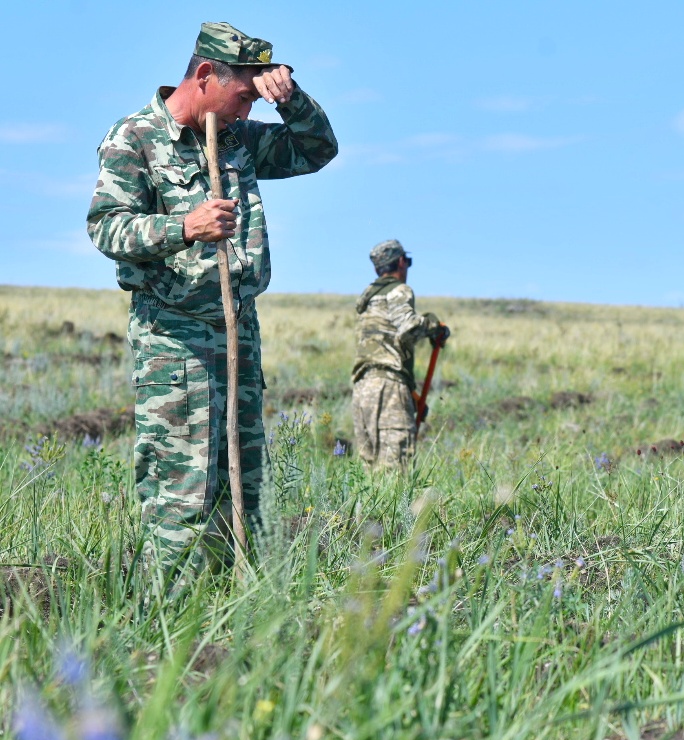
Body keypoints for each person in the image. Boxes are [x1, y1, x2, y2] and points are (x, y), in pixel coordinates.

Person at [87, 22, 338, 579]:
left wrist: (291, 99)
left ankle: (233, 608)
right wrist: (184, 227)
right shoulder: (134, 140)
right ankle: (165, 620)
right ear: (205, 76)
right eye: (243, 96)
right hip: (175, 340)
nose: (248, 112)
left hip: (238, 330)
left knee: (243, 482)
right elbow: (106, 229)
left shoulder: (238, 139)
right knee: (184, 486)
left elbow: (317, 149)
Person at [351, 240, 447, 470]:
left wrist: (412, 398)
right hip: (390, 388)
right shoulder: (399, 290)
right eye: (408, 262)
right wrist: (436, 329)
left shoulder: (369, 300)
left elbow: (381, 359)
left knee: (370, 472)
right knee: (395, 473)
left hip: (362, 391)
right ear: (402, 262)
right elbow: (408, 327)